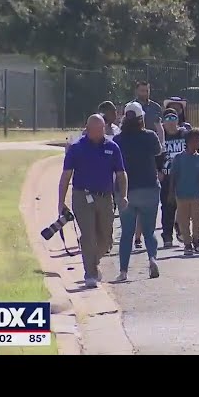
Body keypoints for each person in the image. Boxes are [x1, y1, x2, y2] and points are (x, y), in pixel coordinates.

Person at [58, 114, 127, 289]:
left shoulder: (112, 147)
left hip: (105, 197)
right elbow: (66, 176)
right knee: (88, 236)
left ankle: (93, 261)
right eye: (94, 130)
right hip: (82, 196)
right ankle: (90, 274)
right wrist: (61, 202)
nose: (97, 133)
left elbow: (121, 173)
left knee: (106, 239)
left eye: (100, 129)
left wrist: (123, 195)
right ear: (87, 129)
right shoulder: (76, 148)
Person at [112, 102, 161, 282]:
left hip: (126, 190)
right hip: (148, 186)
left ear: (125, 117)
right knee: (149, 230)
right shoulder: (150, 136)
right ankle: (152, 259)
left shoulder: (117, 140)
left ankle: (124, 271)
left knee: (127, 232)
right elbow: (158, 152)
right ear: (141, 118)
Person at [130, 80, 164, 249]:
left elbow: (159, 128)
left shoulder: (155, 107)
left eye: (147, 90)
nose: (145, 93)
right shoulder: (131, 107)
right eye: (142, 90)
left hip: (151, 150)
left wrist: (161, 146)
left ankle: (145, 233)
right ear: (137, 91)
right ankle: (136, 234)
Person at [169, 130, 199, 255]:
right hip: (181, 194)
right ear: (190, 141)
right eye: (197, 140)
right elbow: (173, 177)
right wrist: (171, 193)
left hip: (196, 194)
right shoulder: (179, 158)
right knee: (183, 219)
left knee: (197, 218)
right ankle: (187, 243)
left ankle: (196, 240)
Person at [157, 110, 189, 248]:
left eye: (173, 117)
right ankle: (167, 236)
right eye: (167, 118)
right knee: (167, 207)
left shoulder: (184, 134)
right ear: (163, 122)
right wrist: (157, 171)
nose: (170, 121)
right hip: (167, 177)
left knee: (184, 207)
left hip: (184, 177)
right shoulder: (160, 137)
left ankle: (182, 230)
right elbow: (154, 156)